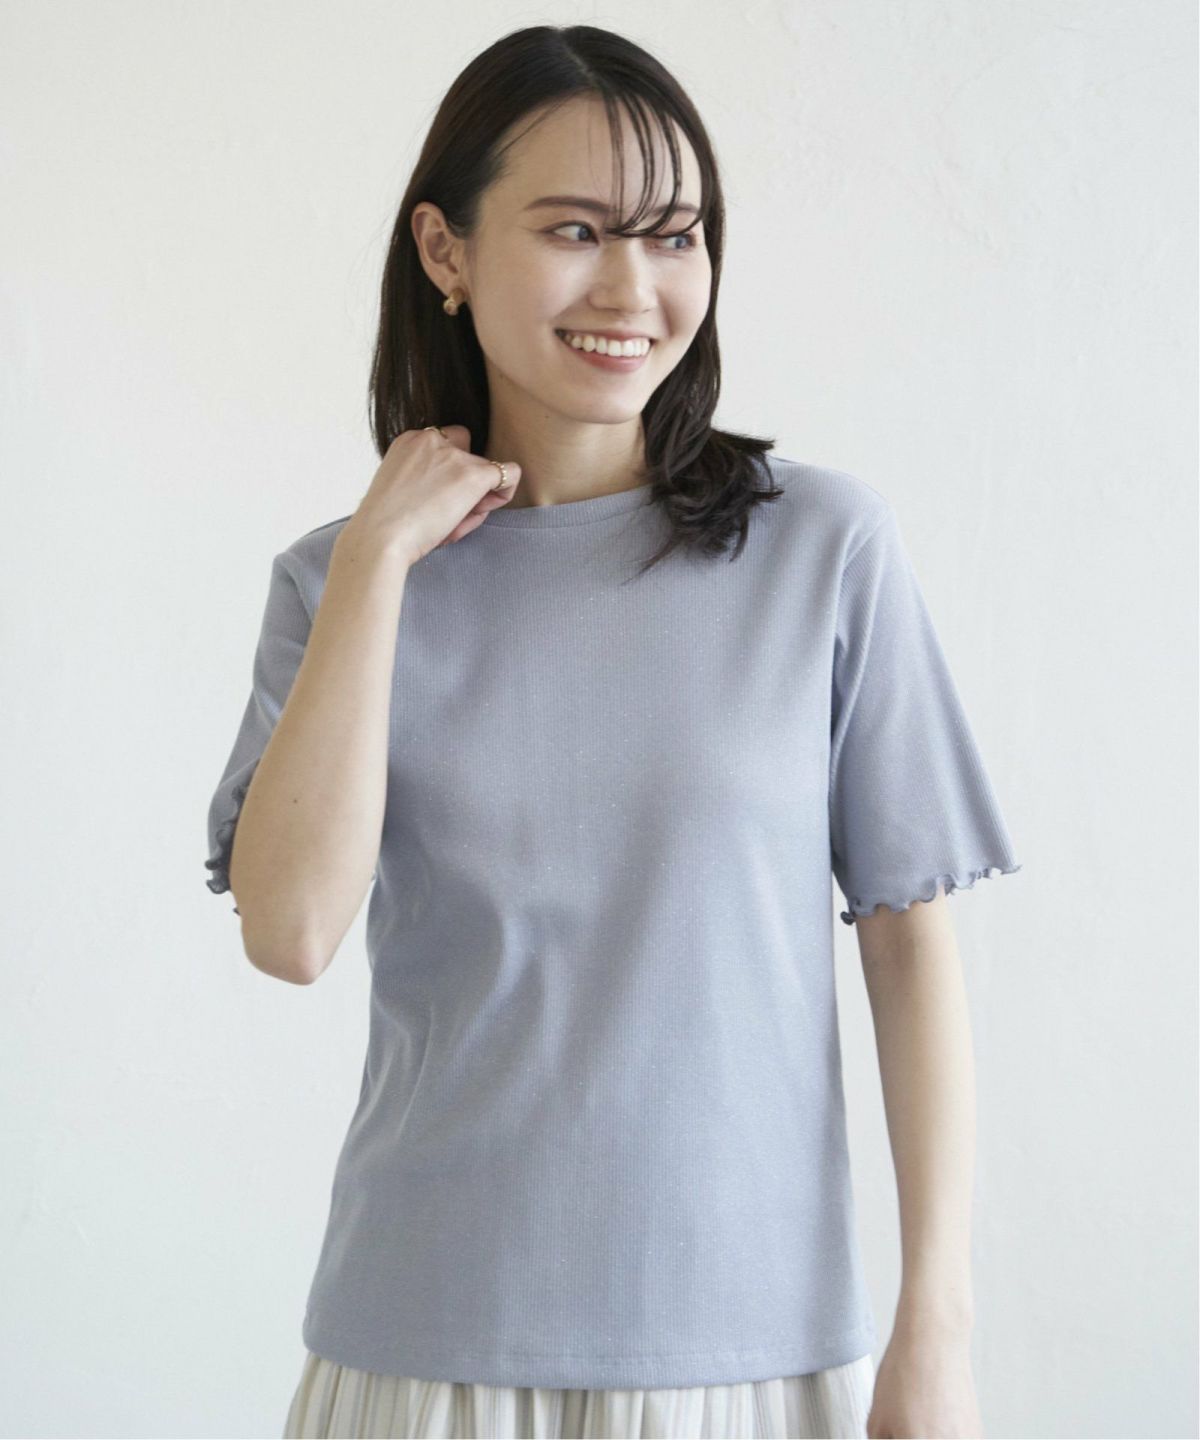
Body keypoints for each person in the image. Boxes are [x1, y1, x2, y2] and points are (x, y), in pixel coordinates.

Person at [203, 24, 1021, 1440]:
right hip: (424, 1346)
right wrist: (378, 565)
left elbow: (908, 942)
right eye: (576, 231)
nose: (634, 289)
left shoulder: (823, 549)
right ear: (446, 251)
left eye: (675, 235)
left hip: (750, 1350)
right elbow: (290, 932)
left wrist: (935, 1329)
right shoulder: (337, 584)